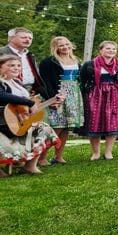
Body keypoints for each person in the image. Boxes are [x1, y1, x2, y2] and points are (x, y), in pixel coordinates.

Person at [0, 53, 62, 178]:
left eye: (18, 66)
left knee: (44, 129)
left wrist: (51, 102)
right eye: (11, 65)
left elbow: (24, 106)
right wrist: (29, 102)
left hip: (15, 121)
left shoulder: (16, 82)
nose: (16, 68)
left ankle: (29, 166)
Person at [37, 36, 84, 165]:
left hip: (74, 94)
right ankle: (41, 157)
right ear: (55, 48)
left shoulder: (76, 60)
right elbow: (45, 81)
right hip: (59, 94)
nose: (65, 47)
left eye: (67, 44)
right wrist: (52, 98)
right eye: (61, 45)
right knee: (56, 126)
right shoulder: (50, 62)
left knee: (66, 127)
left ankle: (58, 156)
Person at [0, 27, 42, 96]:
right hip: (4, 93)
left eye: (30, 38)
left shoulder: (30, 55)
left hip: (30, 92)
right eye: (23, 37)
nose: (27, 40)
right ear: (10, 38)